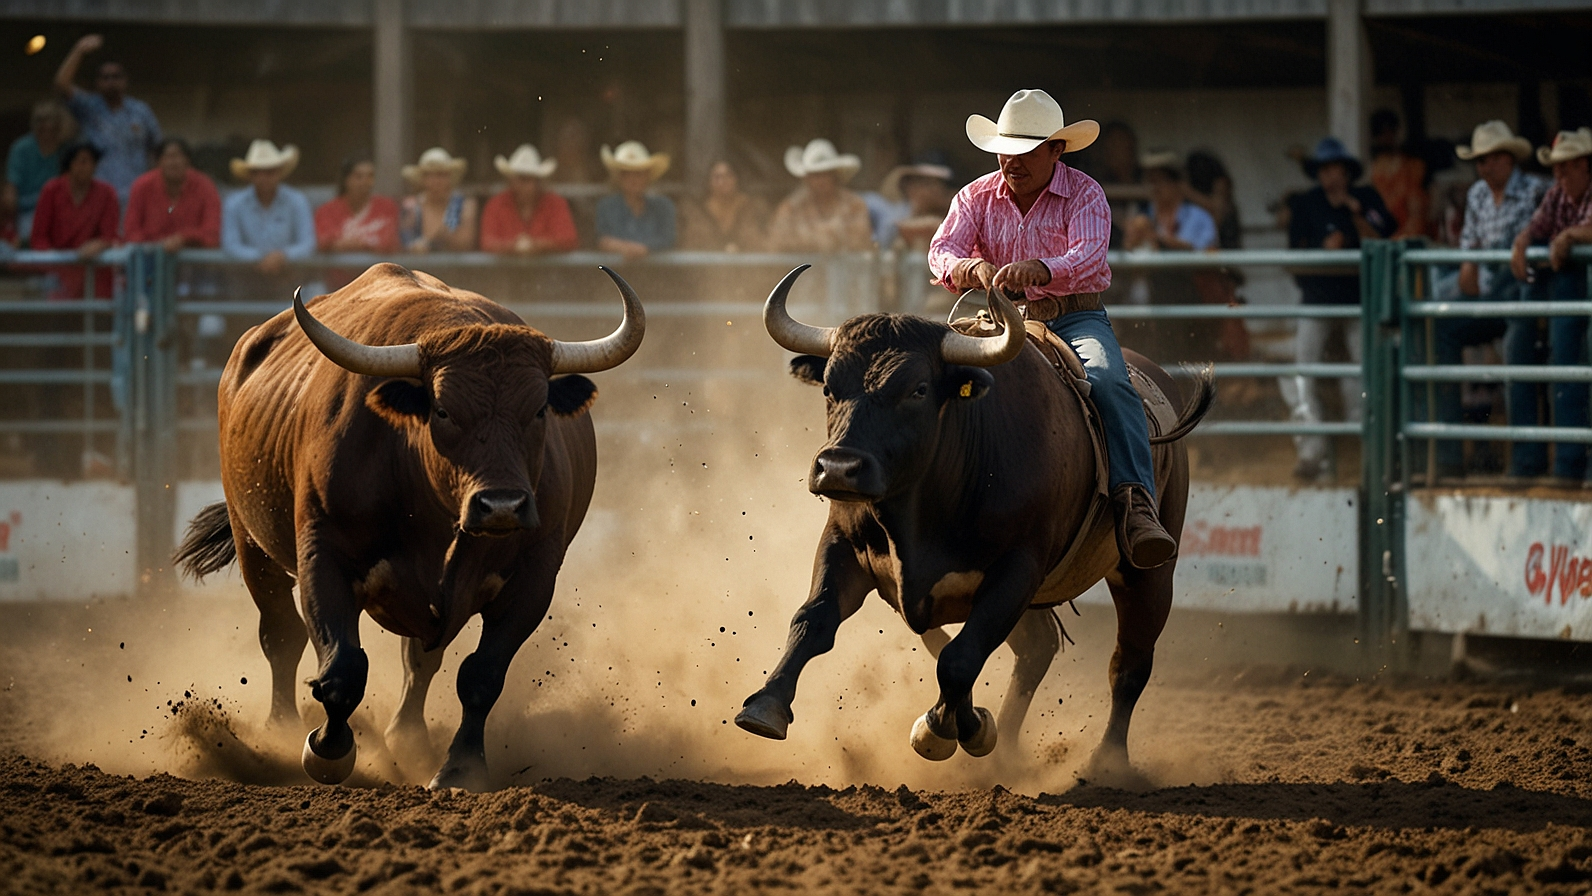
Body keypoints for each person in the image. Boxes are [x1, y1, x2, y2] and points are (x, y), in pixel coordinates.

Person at [927, 89, 1175, 569]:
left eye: (1025, 151)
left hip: (1074, 316)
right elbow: (941, 251)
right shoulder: (975, 195)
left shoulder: (1084, 193)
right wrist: (971, 267)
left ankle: (1135, 501)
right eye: (1005, 149)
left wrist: (1041, 269)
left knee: (1107, 380)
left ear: (1056, 150)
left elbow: (1089, 256)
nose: (1011, 161)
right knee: (931, 376)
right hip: (1001, 318)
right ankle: (929, 487)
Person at [1408, 122, 1549, 479]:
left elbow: (1549, 234)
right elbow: (1469, 244)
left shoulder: (1538, 190)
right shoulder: (1477, 196)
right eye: (1481, 161)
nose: (1486, 167)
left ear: (1508, 159)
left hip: (1524, 294)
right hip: (1487, 295)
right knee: (1436, 329)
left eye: (1492, 159)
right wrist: (1468, 261)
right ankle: (1448, 455)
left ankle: (1525, 461)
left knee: (1517, 351)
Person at [1284, 137, 1397, 483]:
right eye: (1323, 169)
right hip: (1318, 299)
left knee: (1359, 375)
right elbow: (1294, 257)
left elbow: (1383, 240)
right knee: (1302, 374)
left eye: (1335, 168)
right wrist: (1323, 251)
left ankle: (1362, 447)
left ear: (1347, 172)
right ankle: (1312, 451)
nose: (1329, 175)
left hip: (1356, 299)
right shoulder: (1305, 204)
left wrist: (1355, 213)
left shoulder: (1365, 199)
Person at [1510, 127, 1592, 481]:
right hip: (1571, 290)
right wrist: (1522, 241)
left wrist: (1570, 235)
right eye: (1557, 167)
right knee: (1562, 355)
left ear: (1585, 166)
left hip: (1576, 290)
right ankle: (1567, 462)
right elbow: (1536, 226)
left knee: (1572, 356)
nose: (1560, 174)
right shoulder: (1556, 196)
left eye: (1568, 166)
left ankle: (1569, 461)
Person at [53, 34, 161, 206]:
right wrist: (79, 50)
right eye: (105, 77)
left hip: (137, 194)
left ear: (125, 81)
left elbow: (157, 150)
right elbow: (61, 84)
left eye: (116, 76)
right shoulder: (89, 107)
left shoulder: (141, 111)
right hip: (98, 194)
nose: (111, 81)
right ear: (97, 82)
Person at [30, 141, 118, 298]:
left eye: (89, 161)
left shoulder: (107, 192)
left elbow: (110, 234)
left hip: (94, 265)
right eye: (79, 161)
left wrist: (100, 243)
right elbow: (39, 237)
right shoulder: (51, 190)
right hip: (58, 267)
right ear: (69, 164)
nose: (84, 166)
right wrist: (55, 264)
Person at [221, 139, 315, 275]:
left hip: (289, 278)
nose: (263, 177)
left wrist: (282, 256)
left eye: (269, 172)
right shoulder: (234, 203)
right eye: (257, 172)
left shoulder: (297, 201)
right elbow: (230, 245)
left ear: (279, 172)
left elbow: (308, 243)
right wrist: (262, 258)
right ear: (250, 175)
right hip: (245, 277)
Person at [766, 139, 873, 253]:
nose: (820, 181)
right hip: (802, 269)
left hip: (845, 270)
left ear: (835, 175)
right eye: (815, 175)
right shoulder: (790, 208)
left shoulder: (854, 205)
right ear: (806, 178)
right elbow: (775, 243)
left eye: (825, 174)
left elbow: (860, 242)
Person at [124, 137, 222, 251]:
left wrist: (184, 239)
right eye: (167, 157)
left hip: (194, 260)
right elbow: (131, 232)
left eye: (178, 156)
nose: (173, 162)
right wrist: (158, 245)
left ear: (188, 160)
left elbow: (213, 233)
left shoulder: (205, 186)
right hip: (150, 259)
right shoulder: (142, 186)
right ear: (158, 162)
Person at [479, 144, 578, 255]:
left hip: (548, 271)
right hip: (504, 271)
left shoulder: (556, 203)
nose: (521, 185)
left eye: (527, 180)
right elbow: (487, 242)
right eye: (518, 179)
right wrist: (514, 246)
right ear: (511, 180)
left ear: (538, 182)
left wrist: (535, 245)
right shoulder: (496, 204)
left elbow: (568, 239)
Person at [594, 141, 676, 259]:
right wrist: (625, 248)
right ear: (619, 177)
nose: (633, 179)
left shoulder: (664, 207)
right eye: (627, 173)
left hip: (656, 273)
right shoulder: (605, 207)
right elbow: (601, 239)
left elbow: (668, 238)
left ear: (647, 177)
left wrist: (645, 248)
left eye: (639, 173)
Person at [6, 100, 69, 241]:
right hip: (28, 211)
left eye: (47, 120)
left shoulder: (65, 150)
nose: (42, 125)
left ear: (58, 123)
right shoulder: (21, 148)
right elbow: (10, 192)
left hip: (60, 212)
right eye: (38, 120)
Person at [315, 156, 400, 254]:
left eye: (370, 176)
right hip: (341, 268)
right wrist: (366, 243)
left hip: (376, 268)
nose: (365, 182)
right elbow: (324, 242)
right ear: (346, 180)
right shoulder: (327, 211)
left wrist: (356, 243)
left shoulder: (387, 207)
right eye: (358, 176)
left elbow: (389, 242)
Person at [679, 159, 769, 252]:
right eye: (717, 177)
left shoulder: (753, 207)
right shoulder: (696, 212)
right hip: (707, 264)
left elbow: (763, 242)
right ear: (709, 182)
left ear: (736, 179)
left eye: (728, 176)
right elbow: (690, 245)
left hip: (748, 264)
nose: (722, 181)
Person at [399, 147, 477, 253]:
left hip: (455, 267)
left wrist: (431, 242)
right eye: (430, 175)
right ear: (422, 179)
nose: (436, 181)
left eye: (441, 174)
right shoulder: (411, 206)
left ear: (450, 177)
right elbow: (403, 243)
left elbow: (465, 242)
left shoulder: (464, 205)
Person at [866, 157, 954, 250]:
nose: (935, 190)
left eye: (938, 184)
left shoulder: (946, 218)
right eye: (926, 183)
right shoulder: (887, 208)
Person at [1369, 109, 1430, 240]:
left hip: (1408, 239)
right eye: (1380, 132)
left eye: (1389, 130)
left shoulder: (1413, 167)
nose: (1386, 137)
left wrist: (1400, 238)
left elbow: (1417, 213)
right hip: (1381, 239)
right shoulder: (1372, 170)